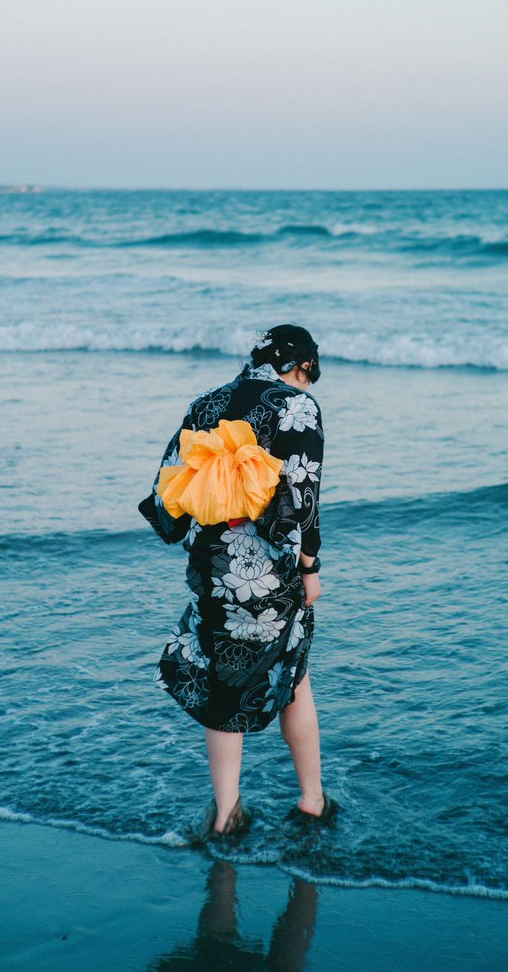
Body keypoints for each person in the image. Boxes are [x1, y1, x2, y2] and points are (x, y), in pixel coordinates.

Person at [139, 324, 336, 836]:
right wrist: (310, 567)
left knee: (224, 683)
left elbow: (166, 487)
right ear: (303, 366)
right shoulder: (298, 405)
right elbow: (303, 499)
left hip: (211, 567)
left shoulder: (207, 403)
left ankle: (227, 814)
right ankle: (312, 800)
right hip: (267, 571)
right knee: (294, 674)